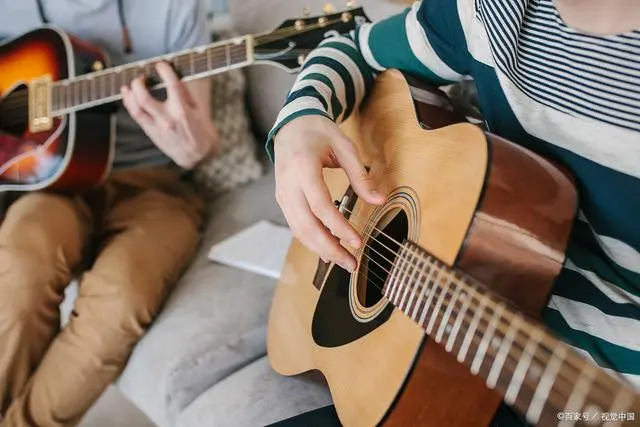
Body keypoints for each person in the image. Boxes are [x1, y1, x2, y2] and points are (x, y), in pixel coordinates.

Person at [268, 0, 639, 424]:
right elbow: (351, 49)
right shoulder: (490, 12)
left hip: (589, 395)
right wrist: (300, 122)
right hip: (457, 342)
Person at [0, 0, 218, 425]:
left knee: (121, 300)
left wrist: (196, 149)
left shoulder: (174, 8)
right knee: (22, 263)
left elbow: (202, 139)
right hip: (51, 184)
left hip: (154, 187)